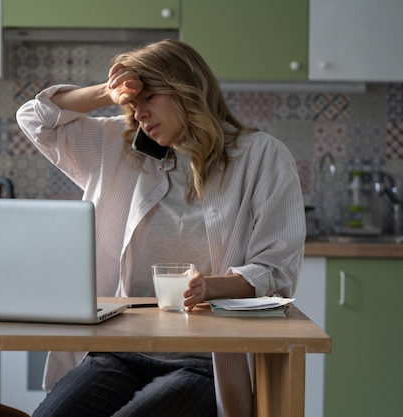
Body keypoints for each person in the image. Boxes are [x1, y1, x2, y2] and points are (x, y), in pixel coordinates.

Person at [16, 39, 305, 417]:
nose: (139, 115)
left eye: (148, 99)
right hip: (120, 350)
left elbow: (277, 270)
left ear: (186, 90)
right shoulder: (117, 148)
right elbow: (34, 118)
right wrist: (107, 92)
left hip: (202, 362)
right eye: (132, 105)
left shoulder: (262, 156)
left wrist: (209, 288)